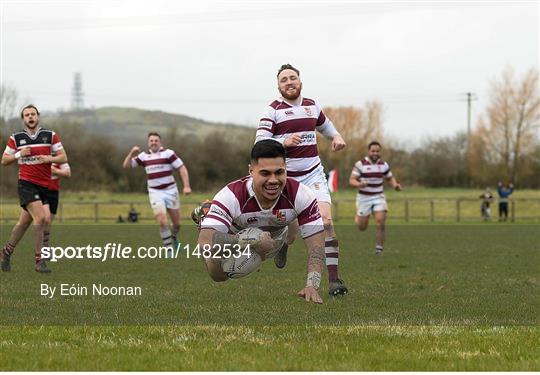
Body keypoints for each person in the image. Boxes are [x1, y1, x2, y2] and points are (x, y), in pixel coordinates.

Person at [255, 64, 348, 296]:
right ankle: (285, 243)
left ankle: (335, 281)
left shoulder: (311, 105)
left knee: (326, 221)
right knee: (293, 231)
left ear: (300, 82)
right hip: (288, 180)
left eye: (292, 78)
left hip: (314, 173)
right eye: (284, 79)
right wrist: (283, 142)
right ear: (278, 86)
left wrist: (336, 137)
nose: (289, 82)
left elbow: (327, 127)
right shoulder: (272, 110)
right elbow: (260, 143)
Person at [197, 140, 326, 304]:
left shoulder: (301, 194)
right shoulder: (231, 195)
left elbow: (317, 246)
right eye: (265, 173)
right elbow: (203, 243)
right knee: (218, 275)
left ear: (286, 169)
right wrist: (252, 241)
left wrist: (312, 285)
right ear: (251, 171)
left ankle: (283, 245)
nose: (273, 180)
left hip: (278, 234)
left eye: (279, 172)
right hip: (236, 238)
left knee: (291, 235)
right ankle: (206, 218)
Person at [1, 105, 68, 273]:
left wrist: (48, 158)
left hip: (44, 185)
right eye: (26, 115)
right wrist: (18, 154)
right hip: (26, 183)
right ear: (23, 119)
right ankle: (39, 261)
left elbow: (63, 157)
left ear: (38, 116)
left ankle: (6, 252)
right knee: (41, 218)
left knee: (24, 223)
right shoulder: (16, 138)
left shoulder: (50, 135)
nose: (30, 117)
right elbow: (4, 160)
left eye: (33, 114)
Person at [122, 132, 191, 254]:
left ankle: (174, 237)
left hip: (171, 191)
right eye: (151, 141)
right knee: (162, 220)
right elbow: (126, 165)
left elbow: (182, 168)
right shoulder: (144, 156)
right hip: (155, 192)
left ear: (160, 142)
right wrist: (132, 153)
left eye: (156, 140)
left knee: (177, 224)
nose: (153, 142)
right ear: (148, 143)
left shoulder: (168, 154)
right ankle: (169, 250)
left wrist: (186, 186)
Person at [349, 141, 401, 255]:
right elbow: (352, 180)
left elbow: (389, 177)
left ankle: (379, 250)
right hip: (364, 198)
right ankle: (358, 218)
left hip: (378, 196)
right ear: (369, 151)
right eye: (373, 151)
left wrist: (395, 185)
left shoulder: (383, 165)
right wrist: (359, 184)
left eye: (377, 151)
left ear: (380, 152)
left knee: (380, 222)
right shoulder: (360, 164)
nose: (375, 153)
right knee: (362, 227)